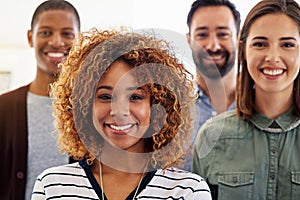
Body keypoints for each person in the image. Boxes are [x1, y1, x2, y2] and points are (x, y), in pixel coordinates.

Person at [31, 28, 212, 199]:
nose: (119, 111)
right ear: (83, 106)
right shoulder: (52, 187)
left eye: (135, 96)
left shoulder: (188, 191)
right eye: (105, 96)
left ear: (157, 106)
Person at [193, 0, 300, 199]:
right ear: (243, 49)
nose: (273, 57)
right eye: (260, 44)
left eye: (287, 44)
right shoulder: (211, 135)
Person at [0, 1, 80, 199]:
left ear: (78, 39)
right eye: (45, 32)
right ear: (30, 37)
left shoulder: (92, 110)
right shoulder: (3, 108)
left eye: (67, 34)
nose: (56, 41)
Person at [184, 0, 241, 171]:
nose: (212, 46)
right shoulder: (171, 109)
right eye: (202, 35)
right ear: (189, 40)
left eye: (223, 34)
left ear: (238, 38)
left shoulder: (263, 103)